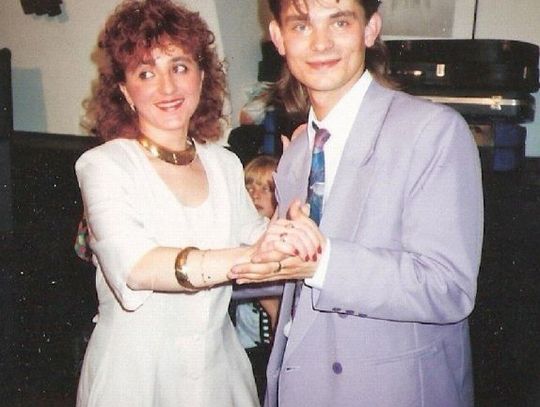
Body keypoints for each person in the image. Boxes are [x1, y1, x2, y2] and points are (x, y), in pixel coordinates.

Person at [229, 0, 484, 406]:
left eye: (340, 23)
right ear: (278, 37)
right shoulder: (296, 155)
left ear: (370, 29)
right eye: (301, 26)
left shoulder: (432, 132)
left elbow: (448, 287)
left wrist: (323, 262)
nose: (320, 43)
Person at [73, 0, 289, 405]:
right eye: (146, 73)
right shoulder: (104, 166)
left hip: (219, 376)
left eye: (179, 67)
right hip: (135, 378)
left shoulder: (224, 164)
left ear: (201, 76)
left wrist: (295, 204)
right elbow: (136, 268)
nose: (167, 87)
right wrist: (244, 258)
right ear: (125, 90)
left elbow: (261, 240)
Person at [233, 155, 281, 402]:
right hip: (244, 343)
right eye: (249, 186)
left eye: (266, 188)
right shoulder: (239, 233)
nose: (255, 194)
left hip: (267, 342)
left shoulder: (278, 236)